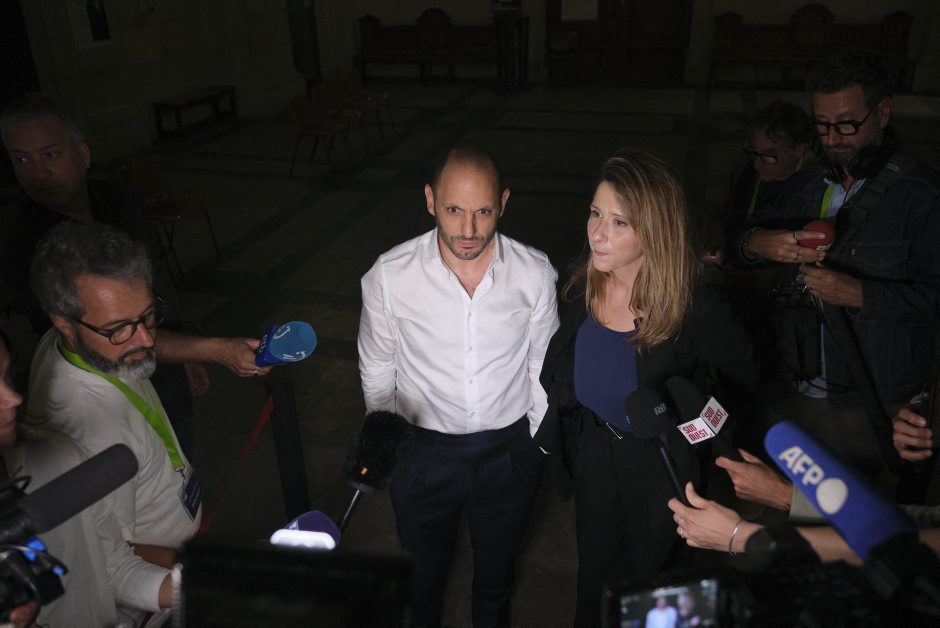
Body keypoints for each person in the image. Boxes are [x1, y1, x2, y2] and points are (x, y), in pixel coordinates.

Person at [536, 148, 758, 626]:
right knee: (596, 575)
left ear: (655, 230)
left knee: (655, 584)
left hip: (657, 465)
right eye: (596, 213)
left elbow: (744, 383)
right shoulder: (587, 284)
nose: (598, 233)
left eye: (620, 222)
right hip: (594, 450)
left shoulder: (695, 305)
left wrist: (697, 432)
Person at [0, 93, 270, 458]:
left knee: (179, 459)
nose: (37, 173)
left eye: (50, 155)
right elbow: (97, 338)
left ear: (82, 154)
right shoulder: (24, 241)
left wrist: (186, 346)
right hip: (107, 394)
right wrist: (214, 350)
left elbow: (158, 278)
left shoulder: (117, 200)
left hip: (165, 370)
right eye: (21, 159)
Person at [357, 144, 559, 627]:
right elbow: (378, 364)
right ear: (430, 200)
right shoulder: (390, 275)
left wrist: (535, 442)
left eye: (483, 212)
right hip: (421, 454)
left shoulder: (534, 273)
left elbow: (542, 363)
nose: (468, 230)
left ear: (503, 203)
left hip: (508, 452)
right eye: (453, 210)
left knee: (496, 582)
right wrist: (389, 444)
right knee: (421, 583)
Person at [732, 48, 940, 487]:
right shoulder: (803, 186)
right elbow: (735, 242)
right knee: (802, 507)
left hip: (876, 400)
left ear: (882, 113)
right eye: (823, 126)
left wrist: (860, 294)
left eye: (847, 124)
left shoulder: (923, 196)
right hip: (800, 390)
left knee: (866, 510)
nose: (833, 139)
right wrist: (758, 242)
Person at [26, 222, 199, 625]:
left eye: (148, 316)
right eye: (119, 328)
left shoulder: (84, 346)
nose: (145, 340)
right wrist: (205, 585)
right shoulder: (86, 432)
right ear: (64, 323)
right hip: (147, 607)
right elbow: (108, 564)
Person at [1, 327, 133, 626]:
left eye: (6, 375)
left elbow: (114, 561)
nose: (13, 398)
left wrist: (183, 585)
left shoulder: (59, 456)